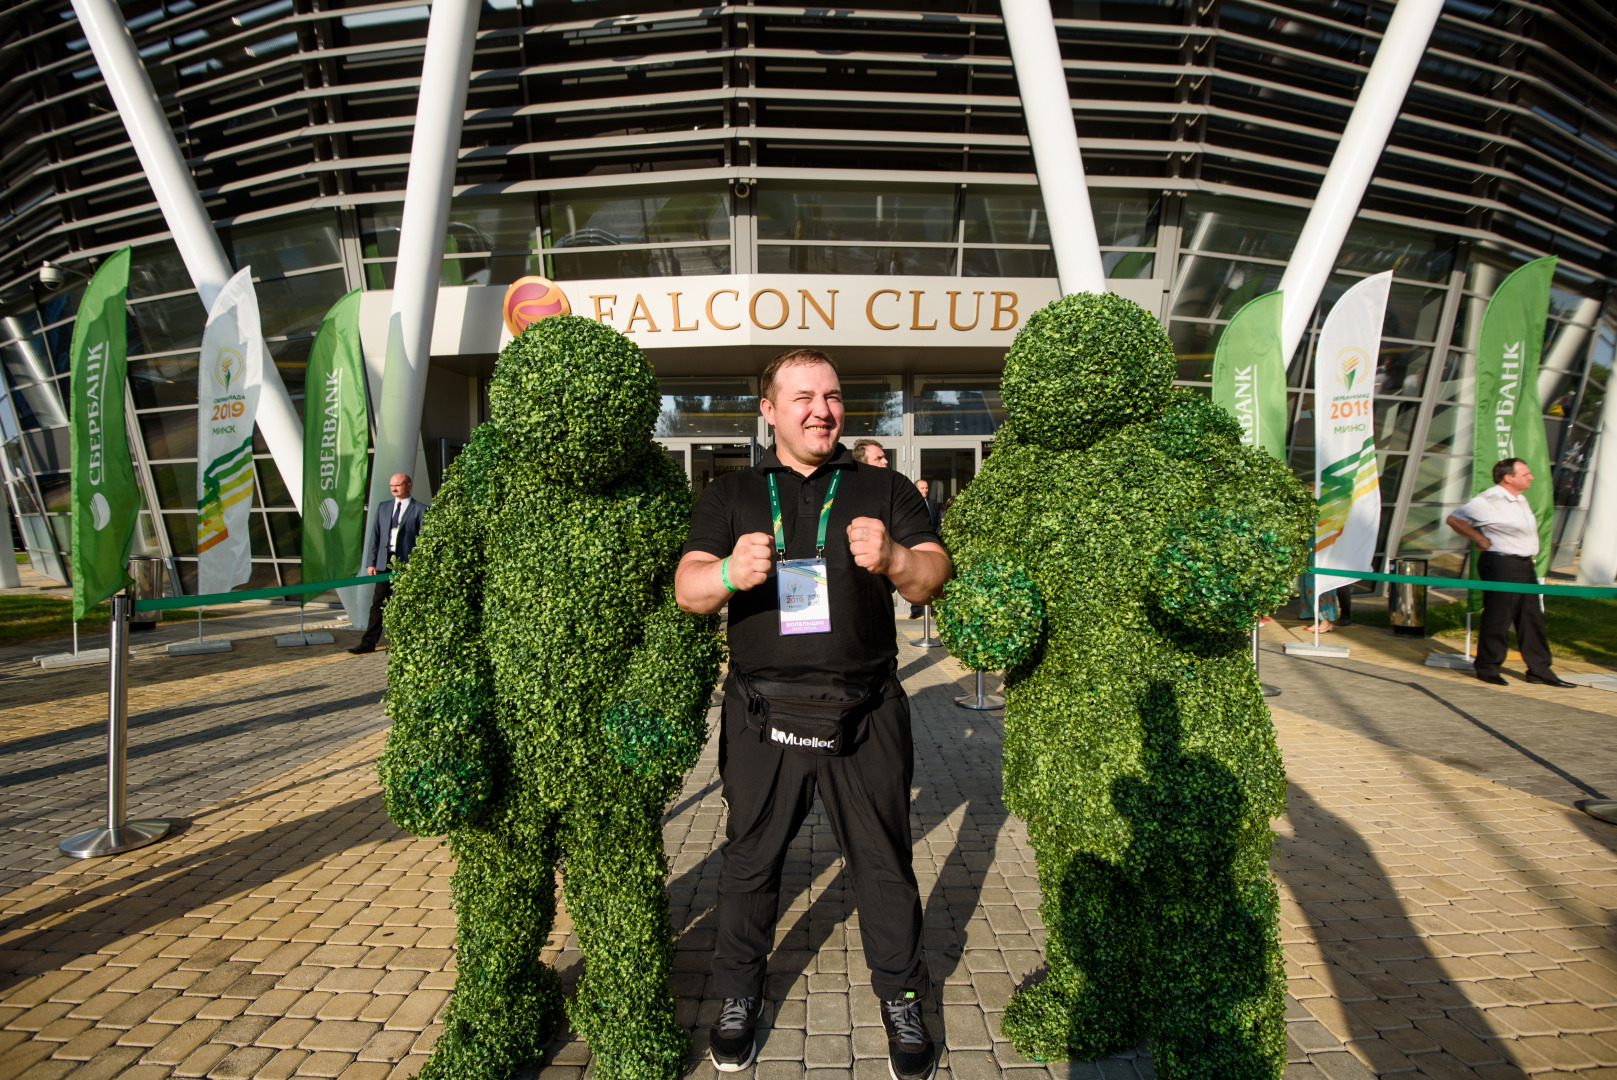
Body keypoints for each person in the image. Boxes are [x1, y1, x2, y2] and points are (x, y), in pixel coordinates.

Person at [675, 348, 953, 1080]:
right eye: (802, 397)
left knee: (883, 864)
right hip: (760, 710)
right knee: (749, 862)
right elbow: (688, 588)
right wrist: (730, 572)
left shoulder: (882, 486)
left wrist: (895, 558)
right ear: (768, 410)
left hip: (866, 710)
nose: (821, 410)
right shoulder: (729, 494)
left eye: (830, 396)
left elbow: (933, 574)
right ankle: (738, 994)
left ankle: (900, 998)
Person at [1445, 458, 1574, 687]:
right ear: (1509, 477)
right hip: (1501, 563)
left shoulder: (1520, 499)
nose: (1531, 477)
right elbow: (1454, 519)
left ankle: (1539, 670)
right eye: (1525, 473)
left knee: (1531, 616)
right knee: (1499, 616)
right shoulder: (1489, 500)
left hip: (1524, 564)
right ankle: (1487, 667)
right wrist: (1479, 538)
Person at [349, 472, 425, 655]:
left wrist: (418, 565)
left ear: (409, 485)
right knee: (378, 603)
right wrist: (371, 562)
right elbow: (375, 535)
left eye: (397, 485)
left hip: (407, 564)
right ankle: (368, 643)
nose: (394, 489)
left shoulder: (421, 509)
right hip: (385, 561)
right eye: (391, 485)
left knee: (406, 603)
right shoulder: (383, 507)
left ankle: (405, 642)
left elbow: (424, 541)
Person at [909, 479, 943, 619]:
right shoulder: (910, 505)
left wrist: (936, 537)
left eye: (926, 488)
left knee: (933, 577)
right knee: (916, 577)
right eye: (922, 488)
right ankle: (916, 609)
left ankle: (933, 608)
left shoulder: (933, 504)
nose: (925, 490)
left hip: (932, 544)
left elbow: (938, 523)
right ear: (916, 489)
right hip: (917, 545)